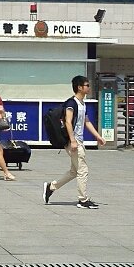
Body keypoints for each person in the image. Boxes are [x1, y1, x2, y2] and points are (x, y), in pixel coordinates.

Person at [43, 75, 104, 209]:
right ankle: (83, 200)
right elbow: (68, 122)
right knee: (83, 170)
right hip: (73, 142)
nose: (88, 87)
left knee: (74, 171)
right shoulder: (72, 103)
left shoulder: (82, 103)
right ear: (79, 87)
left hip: (78, 141)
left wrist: (98, 136)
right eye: (87, 85)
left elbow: (86, 122)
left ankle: (51, 187)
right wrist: (73, 141)